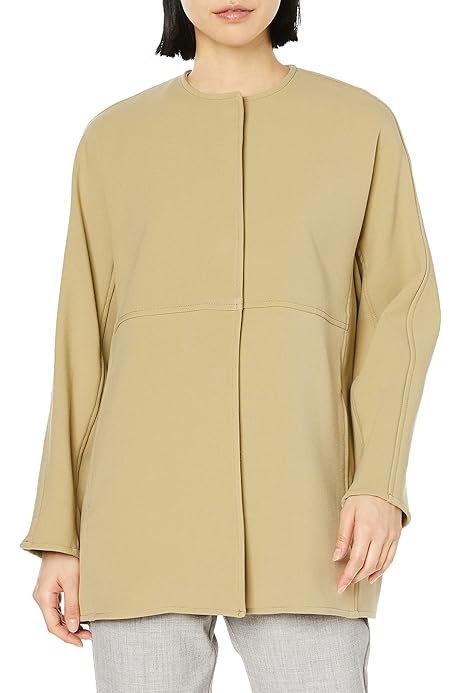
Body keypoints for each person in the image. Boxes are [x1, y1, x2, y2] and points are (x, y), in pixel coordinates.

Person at [20, 1, 441, 691]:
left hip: (311, 520)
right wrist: (59, 534)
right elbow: (79, 341)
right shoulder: (112, 140)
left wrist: (379, 481)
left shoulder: (361, 125)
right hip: (138, 519)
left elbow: (403, 311)